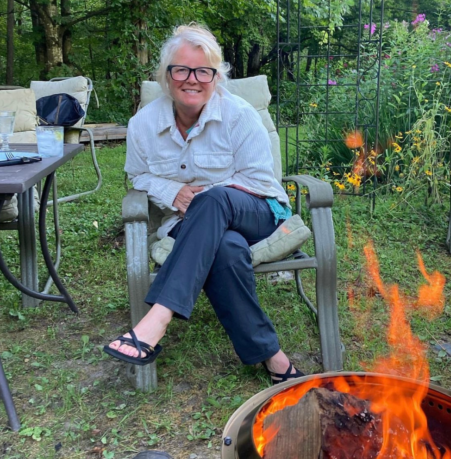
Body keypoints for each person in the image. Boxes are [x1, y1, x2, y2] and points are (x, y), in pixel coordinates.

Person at [104, 23, 304, 385]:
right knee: (225, 248)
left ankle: (158, 317)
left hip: (257, 211)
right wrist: (171, 192)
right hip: (192, 224)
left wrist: (210, 193)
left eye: (203, 71)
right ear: (167, 77)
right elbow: (138, 176)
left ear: (217, 77)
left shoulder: (239, 115)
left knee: (212, 201)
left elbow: (260, 182)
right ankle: (276, 361)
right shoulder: (143, 124)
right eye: (181, 69)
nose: (192, 79)